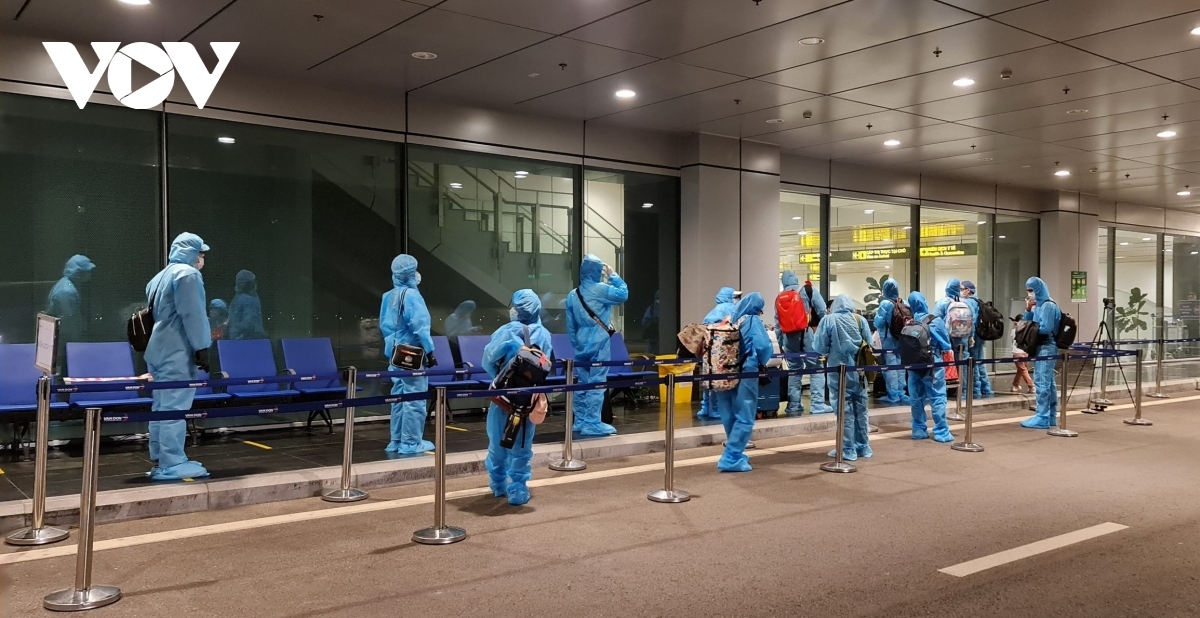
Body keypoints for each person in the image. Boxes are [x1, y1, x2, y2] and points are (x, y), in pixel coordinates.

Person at [144, 233, 212, 481]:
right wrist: (202, 346)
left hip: (157, 349)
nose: (202, 258)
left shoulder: (159, 277)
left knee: (161, 405)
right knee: (175, 406)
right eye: (200, 253)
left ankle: (160, 457)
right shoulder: (187, 275)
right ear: (190, 252)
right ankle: (172, 461)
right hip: (176, 351)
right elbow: (193, 314)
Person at [482, 289, 552, 506]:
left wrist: (502, 377)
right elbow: (546, 366)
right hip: (527, 399)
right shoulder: (544, 334)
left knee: (497, 441)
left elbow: (487, 361)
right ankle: (518, 489)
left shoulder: (505, 331)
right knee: (522, 443)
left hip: (502, 397)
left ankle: (498, 485)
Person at [565, 254, 628, 436]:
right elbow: (624, 293)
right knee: (597, 382)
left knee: (582, 383)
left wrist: (577, 344)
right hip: (599, 339)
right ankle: (592, 422)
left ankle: (580, 420)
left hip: (581, 341)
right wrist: (613, 275)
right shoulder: (601, 290)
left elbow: (570, 325)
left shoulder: (573, 295)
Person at [380, 254, 437, 454]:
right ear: (411, 273)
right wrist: (430, 351)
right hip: (411, 353)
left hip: (394, 353)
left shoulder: (388, 296)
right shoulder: (412, 296)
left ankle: (395, 440)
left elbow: (384, 326)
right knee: (414, 399)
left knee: (398, 397)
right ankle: (411, 443)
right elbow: (421, 327)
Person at [714, 292, 773, 472]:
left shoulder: (728, 318)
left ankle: (734, 453)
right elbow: (763, 347)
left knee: (728, 412)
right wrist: (761, 361)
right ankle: (732, 457)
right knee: (745, 414)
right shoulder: (752, 320)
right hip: (746, 370)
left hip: (724, 370)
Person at [814, 294, 874, 460]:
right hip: (859, 371)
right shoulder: (860, 320)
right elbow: (869, 343)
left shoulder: (828, 320)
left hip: (838, 371)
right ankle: (863, 446)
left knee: (843, 410)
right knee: (861, 409)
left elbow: (820, 347)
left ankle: (847, 449)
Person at [775, 271, 829, 416]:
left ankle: (793, 405)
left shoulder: (780, 297)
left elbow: (778, 324)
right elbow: (822, 309)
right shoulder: (807, 290)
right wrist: (821, 333)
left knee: (794, 370)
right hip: (806, 334)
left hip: (788, 338)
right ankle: (817, 404)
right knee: (816, 368)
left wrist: (781, 343)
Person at [906, 291, 955, 443]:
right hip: (933, 365)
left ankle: (918, 429)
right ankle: (941, 431)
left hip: (913, 367)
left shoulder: (910, 323)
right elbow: (946, 345)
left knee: (916, 398)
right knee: (937, 397)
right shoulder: (935, 320)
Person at [1020, 277, 1062, 429]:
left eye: (1031, 290)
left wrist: (1032, 327)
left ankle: (1043, 416)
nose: (1030, 294)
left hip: (1047, 346)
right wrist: (1028, 310)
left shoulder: (1048, 306)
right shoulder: (1038, 306)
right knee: (1048, 381)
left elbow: (1045, 329)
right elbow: (1025, 323)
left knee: (1042, 381)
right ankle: (1049, 415)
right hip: (1040, 346)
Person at [696, 287, 737, 421]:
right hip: (722, 352)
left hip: (708, 351)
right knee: (718, 380)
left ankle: (705, 408)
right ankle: (716, 409)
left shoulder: (714, 311)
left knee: (708, 379)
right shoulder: (731, 308)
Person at [872, 278, 910, 404]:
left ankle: (893, 395)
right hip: (901, 338)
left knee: (890, 367)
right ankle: (901, 392)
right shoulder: (903, 302)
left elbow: (878, 322)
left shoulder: (885, 304)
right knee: (900, 366)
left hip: (888, 339)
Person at [45, 254, 95, 344]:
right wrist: (75, 343)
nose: (90, 275)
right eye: (87, 271)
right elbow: (68, 322)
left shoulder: (66, 284)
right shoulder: (67, 291)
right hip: (65, 342)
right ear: (79, 272)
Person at [961, 281, 995, 398]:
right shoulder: (978, 301)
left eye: (962, 288)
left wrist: (971, 337)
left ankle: (976, 389)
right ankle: (986, 387)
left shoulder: (968, 302)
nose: (960, 291)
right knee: (981, 362)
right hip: (981, 336)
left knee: (973, 363)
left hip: (974, 336)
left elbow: (971, 321)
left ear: (968, 290)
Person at [933, 278, 972, 362]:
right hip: (963, 338)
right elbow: (972, 320)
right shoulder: (966, 303)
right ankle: (963, 375)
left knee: (948, 364)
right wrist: (971, 336)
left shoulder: (941, 303)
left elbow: (935, 322)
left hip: (947, 338)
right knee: (963, 362)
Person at [228, 269, 267, 340]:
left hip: (244, 338)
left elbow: (248, 323)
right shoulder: (249, 298)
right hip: (246, 338)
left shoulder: (244, 298)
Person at [1010, 315, 1034, 394]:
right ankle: (1015, 385)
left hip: (1017, 352)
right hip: (1025, 352)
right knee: (1022, 369)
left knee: (1022, 370)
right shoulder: (1027, 330)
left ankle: (1031, 386)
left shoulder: (1014, 330)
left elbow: (1012, 338)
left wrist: (1016, 326)